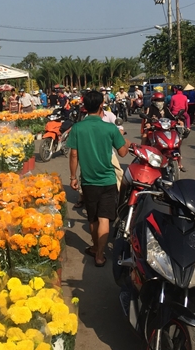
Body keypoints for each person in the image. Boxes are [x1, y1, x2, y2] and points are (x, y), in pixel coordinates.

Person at [67, 90, 130, 268]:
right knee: (104, 219)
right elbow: (123, 153)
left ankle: (95, 247)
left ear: (85, 107)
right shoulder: (110, 128)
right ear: (102, 105)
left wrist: (73, 177)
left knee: (93, 218)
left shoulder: (78, 128)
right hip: (108, 180)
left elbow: (74, 154)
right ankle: (100, 255)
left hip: (89, 181)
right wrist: (125, 141)